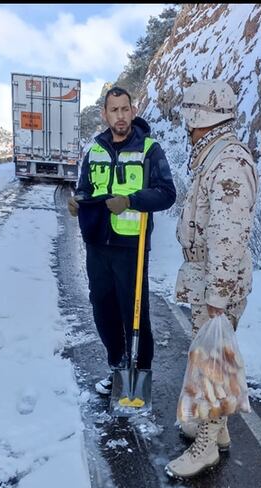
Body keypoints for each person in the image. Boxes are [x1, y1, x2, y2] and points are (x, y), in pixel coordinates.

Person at [165, 80, 257, 479]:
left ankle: (205, 447)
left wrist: (217, 295)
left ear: (202, 116)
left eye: (190, 115)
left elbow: (227, 234)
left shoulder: (228, 162)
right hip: (207, 275)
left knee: (210, 365)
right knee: (210, 358)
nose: (187, 124)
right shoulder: (214, 155)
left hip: (217, 281)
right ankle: (215, 431)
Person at [68, 87, 176, 395]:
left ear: (133, 110)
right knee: (102, 307)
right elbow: (85, 188)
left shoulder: (149, 149)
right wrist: (78, 201)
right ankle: (116, 364)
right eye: (114, 110)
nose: (120, 115)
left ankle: (139, 375)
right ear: (104, 114)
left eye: (125, 109)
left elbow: (167, 193)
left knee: (135, 311)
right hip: (97, 244)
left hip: (132, 247)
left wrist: (131, 200)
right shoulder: (95, 150)